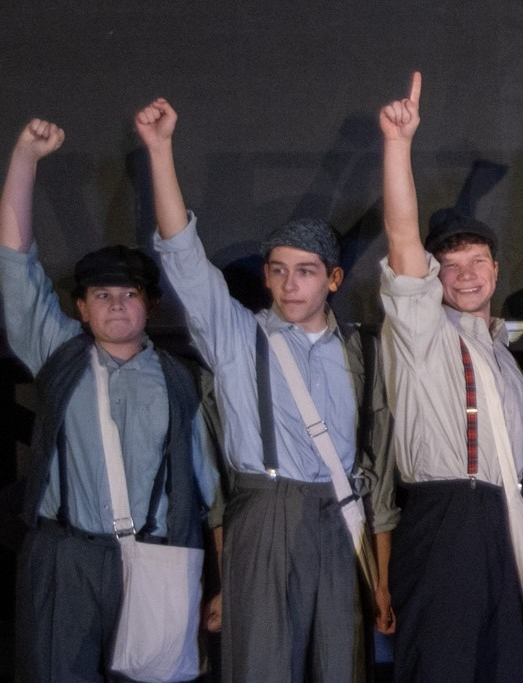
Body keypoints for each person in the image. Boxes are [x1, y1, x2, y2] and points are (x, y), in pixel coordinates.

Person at [142, 96, 378, 683]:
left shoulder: (357, 348)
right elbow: (184, 258)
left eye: (304, 271)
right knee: (260, 666)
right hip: (265, 508)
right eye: (277, 269)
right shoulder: (237, 337)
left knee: (340, 664)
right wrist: (160, 149)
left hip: (340, 513)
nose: (288, 284)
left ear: (333, 278)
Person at [0, 117, 221, 683]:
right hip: (67, 556)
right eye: (102, 295)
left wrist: (221, 581)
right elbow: (14, 264)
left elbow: (210, 490)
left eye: (130, 295)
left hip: (155, 557)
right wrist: (25, 158)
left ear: (151, 306)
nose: (117, 306)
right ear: (82, 308)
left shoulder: (180, 380)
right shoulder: (59, 354)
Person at [369, 74, 523, 683]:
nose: (464, 274)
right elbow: (403, 239)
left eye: (476, 259)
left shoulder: (503, 353)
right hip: (445, 516)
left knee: (508, 664)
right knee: (443, 666)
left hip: (502, 518)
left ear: (494, 266)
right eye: (447, 264)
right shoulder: (420, 328)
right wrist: (399, 144)